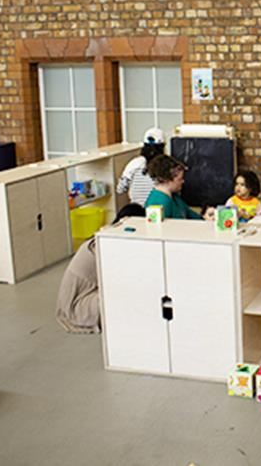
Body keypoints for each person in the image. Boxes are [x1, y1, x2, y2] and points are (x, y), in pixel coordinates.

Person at [56, 203, 146, 334]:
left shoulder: (107, 235)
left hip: (84, 295)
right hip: (76, 306)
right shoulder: (102, 244)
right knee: (129, 298)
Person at [116, 127, 166, 206]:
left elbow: (120, 189)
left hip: (136, 209)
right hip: (158, 209)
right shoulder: (167, 164)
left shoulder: (134, 163)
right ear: (163, 146)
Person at [143, 155, 203, 220]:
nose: (183, 181)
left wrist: (205, 217)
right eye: (180, 179)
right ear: (167, 179)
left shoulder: (174, 197)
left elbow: (190, 214)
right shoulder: (159, 203)